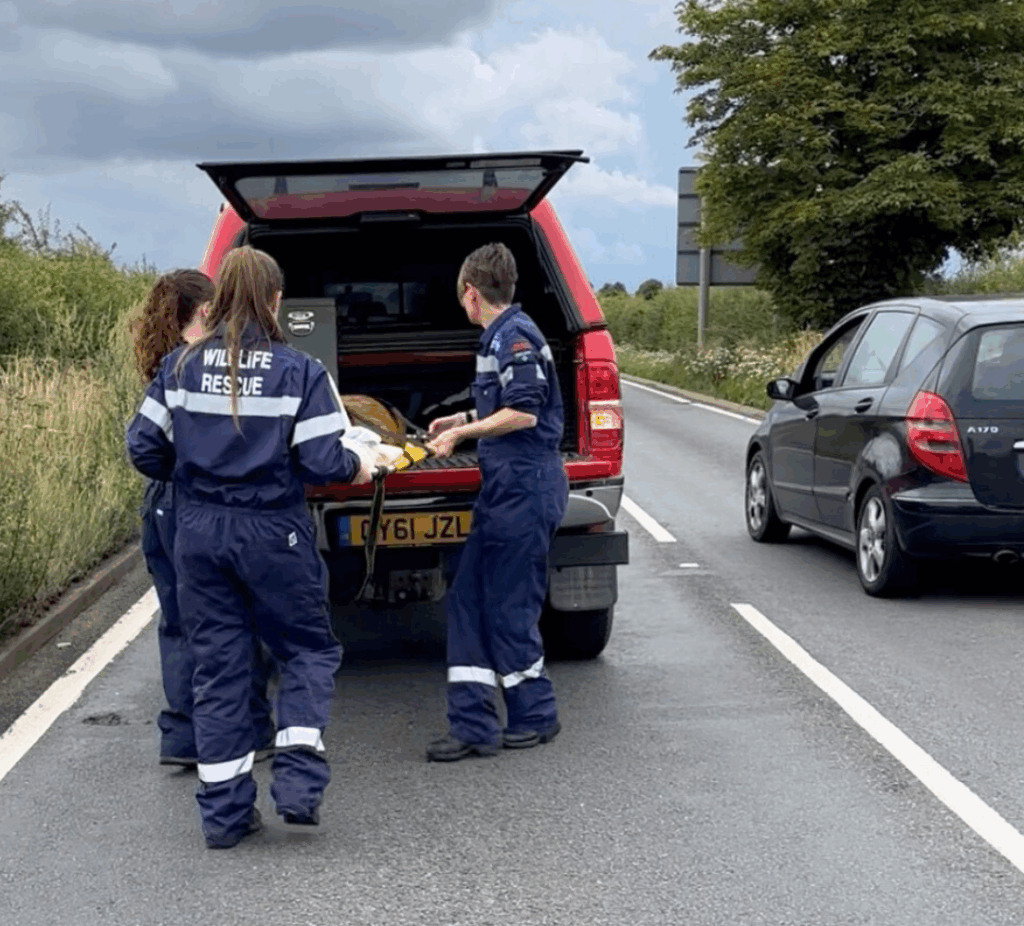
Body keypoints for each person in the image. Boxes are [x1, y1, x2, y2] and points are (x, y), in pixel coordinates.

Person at [125, 246, 378, 849]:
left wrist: (191, 474)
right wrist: (361, 466)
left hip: (200, 535)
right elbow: (323, 460)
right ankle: (295, 786)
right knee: (307, 652)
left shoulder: (179, 368)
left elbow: (143, 448)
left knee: (218, 669)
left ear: (218, 302)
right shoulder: (301, 372)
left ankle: (225, 818)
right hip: (274, 534)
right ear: (274, 300)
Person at [424, 242, 568, 762]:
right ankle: (473, 726)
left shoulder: (515, 337)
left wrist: (463, 438)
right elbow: (503, 404)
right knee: (467, 599)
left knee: (508, 608)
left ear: (470, 292)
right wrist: (460, 420)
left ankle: (534, 715)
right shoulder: (499, 337)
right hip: (505, 489)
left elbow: (524, 413)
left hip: (525, 488)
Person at [129, 269, 277, 768]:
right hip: (200, 503)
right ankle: (250, 729)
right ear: (208, 312)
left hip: (162, 502)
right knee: (234, 616)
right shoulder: (209, 365)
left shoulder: (168, 365)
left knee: (178, 621)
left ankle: (185, 737)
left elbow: (142, 444)